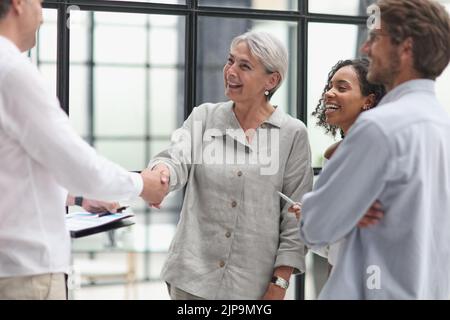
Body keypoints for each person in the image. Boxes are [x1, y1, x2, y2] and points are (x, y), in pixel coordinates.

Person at [0, 0, 167, 299]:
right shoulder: (12, 70)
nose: (42, 12)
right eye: (39, 2)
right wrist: (142, 184)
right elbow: (76, 163)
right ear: (18, 3)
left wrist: (78, 197)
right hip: (24, 275)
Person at [297, 0, 450, 299]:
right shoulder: (443, 127)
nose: (366, 49)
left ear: (405, 48)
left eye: (375, 39)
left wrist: (341, 207)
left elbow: (314, 227)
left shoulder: (379, 128)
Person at [148, 31, 314, 299]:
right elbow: (175, 158)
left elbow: (295, 217)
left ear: (271, 80)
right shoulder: (204, 116)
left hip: (251, 286)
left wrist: (279, 286)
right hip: (191, 280)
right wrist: (162, 173)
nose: (230, 71)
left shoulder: (292, 133)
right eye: (230, 60)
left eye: (244, 66)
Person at [310, 58, 386, 268]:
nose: (329, 93)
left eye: (341, 88)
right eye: (329, 86)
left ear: (368, 101)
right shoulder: (332, 155)